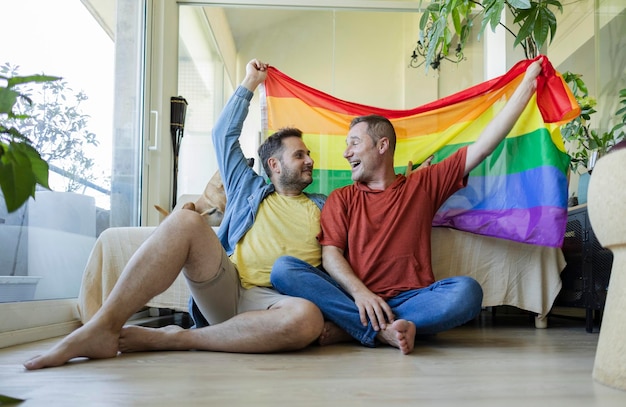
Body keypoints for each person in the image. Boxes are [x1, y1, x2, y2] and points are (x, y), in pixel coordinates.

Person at [24, 59, 326, 370]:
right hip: (229, 289)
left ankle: (177, 338)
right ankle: (101, 328)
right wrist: (251, 81)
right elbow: (223, 135)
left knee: (307, 318)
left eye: (309, 155)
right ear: (274, 165)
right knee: (184, 220)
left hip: (279, 303)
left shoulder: (324, 206)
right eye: (300, 154)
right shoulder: (247, 187)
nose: (310, 161)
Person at [271, 58, 545, 355]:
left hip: (412, 299)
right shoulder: (342, 197)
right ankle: (381, 330)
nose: (345, 152)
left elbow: (483, 147)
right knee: (284, 269)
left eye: (353, 143)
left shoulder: (423, 184)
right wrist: (362, 295)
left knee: (468, 292)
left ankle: (355, 328)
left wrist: (527, 85)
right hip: (355, 298)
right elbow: (331, 255)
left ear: (382, 146)